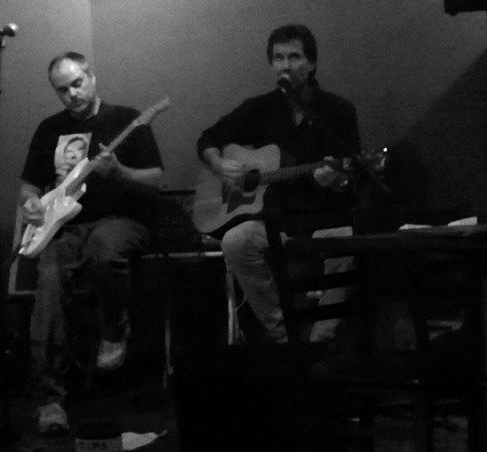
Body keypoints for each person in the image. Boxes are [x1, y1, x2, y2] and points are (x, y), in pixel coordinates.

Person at [19, 51, 164, 435]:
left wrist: (120, 173)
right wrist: (30, 204)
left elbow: (155, 181)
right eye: (62, 89)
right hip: (66, 227)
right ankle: (50, 401)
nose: (72, 94)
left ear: (92, 77)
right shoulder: (49, 129)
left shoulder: (128, 120)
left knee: (104, 248)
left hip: (122, 221)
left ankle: (114, 330)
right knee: (48, 284)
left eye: (77, 83)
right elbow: (29, 187)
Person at [197, 24, 360, 344]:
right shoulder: (259, 109)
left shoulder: (338, 111)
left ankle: (321, 340)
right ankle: (285, 336)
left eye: (294, 57)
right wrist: (219, 164)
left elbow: (352, 177)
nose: (285, 65)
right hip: (275, 220)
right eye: (278, 58)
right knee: (234, 241)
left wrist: (337, 180)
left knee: (347, 239)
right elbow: (208, 139)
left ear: (311, 63)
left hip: (325, 219)